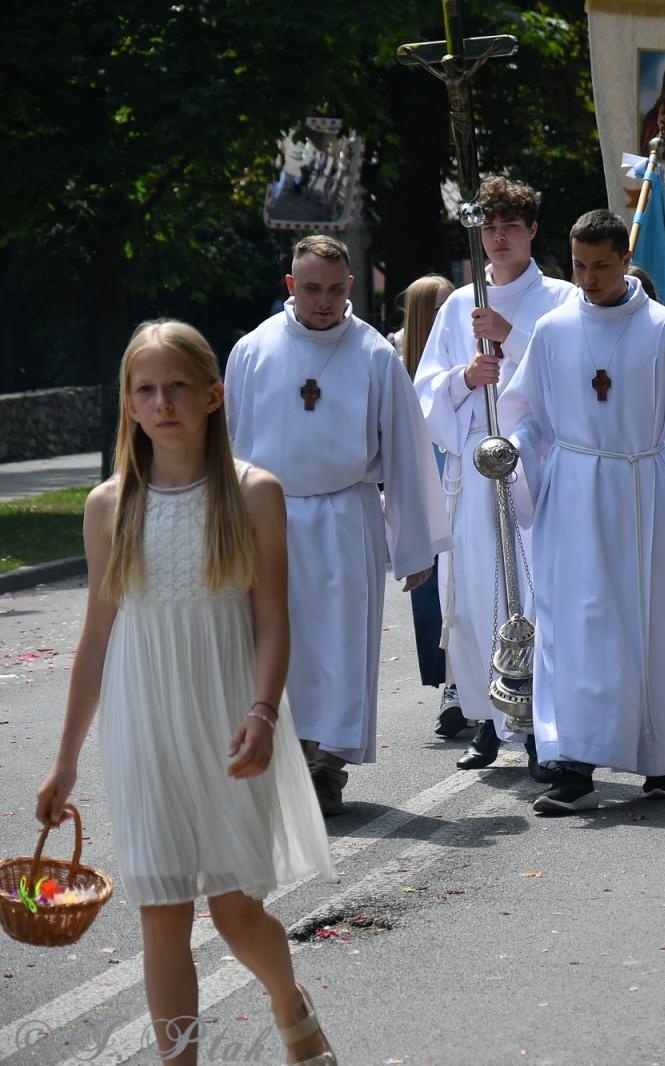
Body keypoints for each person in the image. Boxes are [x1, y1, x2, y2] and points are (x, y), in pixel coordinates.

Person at [37, 320, 337, 1066]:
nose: (162, 401)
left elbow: (272, 621)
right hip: (144, 728)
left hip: (231, 720)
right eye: (146, 389)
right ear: (129, 406)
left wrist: (264, 713)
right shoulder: (109, 506)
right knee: (161, 917)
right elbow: (97, 640)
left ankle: (288, 1001)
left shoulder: (253, 493)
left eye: (176, 386)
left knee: (236, 915)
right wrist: (65, 761)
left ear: (212, 394)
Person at [498, 209, 665, 813]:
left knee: (649, 622)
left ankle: (656, 758)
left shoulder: (663, 331)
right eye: (579, 266)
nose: (588, 279)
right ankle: (573, 765)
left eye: (601, 266)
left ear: (623, 258)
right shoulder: (554, 330)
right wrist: (511, 450)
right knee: (574, 625)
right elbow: (528, 414)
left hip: (642, 490)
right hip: (572, 491)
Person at [226, 235, 449, 817]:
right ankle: (281, 758)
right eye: (310, 288)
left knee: (340, 646)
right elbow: (225, 446)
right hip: (265, 518)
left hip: (346, 516)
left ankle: (326, 769)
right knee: (273, 643)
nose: (322, 301)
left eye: (333, 289)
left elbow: (405, 449)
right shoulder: (252, 350)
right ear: (290, 287)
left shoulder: (374, 355)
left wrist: (415, 546)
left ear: (350, 287)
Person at [413, 177, 578, 773]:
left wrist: (517, 340)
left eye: (511, 226)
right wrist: (465, 378)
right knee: (478, 596)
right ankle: (487, 717)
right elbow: (426, 389)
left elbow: (580, 378)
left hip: (537, 469)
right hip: (477, 473)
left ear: (532, 230)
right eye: (489, 227)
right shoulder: (461, 304)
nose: (499, 237)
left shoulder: (560, 299)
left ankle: (540, 723)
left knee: (537, 593)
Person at [397, 274, 459, 736]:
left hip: (458, 475)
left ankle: (462, 685)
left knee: (462, 586)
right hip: (424, 480)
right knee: (430, 593)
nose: (449, 313)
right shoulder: (396, 363)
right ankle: (447, 683)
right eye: (440, 307)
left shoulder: (457, 350)